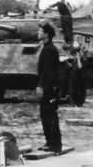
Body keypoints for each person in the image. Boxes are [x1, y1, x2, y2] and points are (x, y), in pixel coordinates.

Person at [36, 22, 63, 154]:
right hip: (49, 87)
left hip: (49, 89)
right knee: (46, 115)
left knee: (50, 116)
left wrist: (41, 86)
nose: (38, 33)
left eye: (40, 31)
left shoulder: (49, 49)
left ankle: (55, 145)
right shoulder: (47, 48)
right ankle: (50, 143)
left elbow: (48, 72)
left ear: (46, 34)